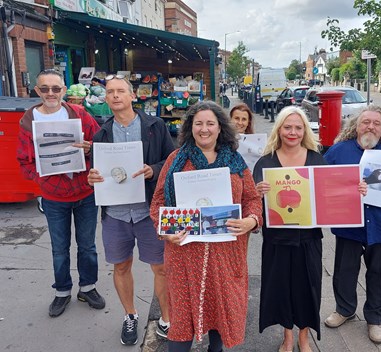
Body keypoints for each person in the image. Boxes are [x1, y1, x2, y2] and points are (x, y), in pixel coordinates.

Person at [150, 101, 262, 352]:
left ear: (220, 128)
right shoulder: (176, 159)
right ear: (190, 128)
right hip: (184, 256)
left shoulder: (235, 161)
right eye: (198, 123)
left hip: (225, 256)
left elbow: (252, 199)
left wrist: (251, 220)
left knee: (219, 321)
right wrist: (167, 230)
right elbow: (158, 202)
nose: (204, 129)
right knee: (181, 325)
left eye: (210, 123)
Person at [252, 106, 366, 352]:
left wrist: (354, 191)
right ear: (279, 129)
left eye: (298, 127)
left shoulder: (315, 159)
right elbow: (253, 205)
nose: (292, 132)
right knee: (281, 289)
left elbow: (332, 193)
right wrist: (257, 192)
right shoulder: (266, 161)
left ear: (304, 130)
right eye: (287, 127)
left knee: (307, 289)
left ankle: (304, 337)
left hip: (308, 239)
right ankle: (287, 337)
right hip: (277, 240)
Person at [87, 75, 174, 345]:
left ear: (132, 95)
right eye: (110, 92)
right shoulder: (100, 134)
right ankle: (130, 315)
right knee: (121, 266)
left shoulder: (155, 126)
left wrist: (153, 170)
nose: (115, 96)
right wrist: (92, 178)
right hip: (115, 214)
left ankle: (167, 319)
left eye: (120, 91)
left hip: (149, 211)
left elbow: (170, 162)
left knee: (161, 267)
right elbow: (98, 172)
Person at [323, 105, 381, 344]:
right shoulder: (338, 151)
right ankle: (344, 309)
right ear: (356, 126)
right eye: (366, 122)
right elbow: (323, 183)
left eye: (376, 123)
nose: (370, 127)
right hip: (348, 224)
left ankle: (376, 319)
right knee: (344, 271)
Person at [16, 69, 105, 317]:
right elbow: (24, 161)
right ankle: (62, 291)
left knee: (87, 245)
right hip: (54, 197)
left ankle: (88, 287)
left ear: (64, 90)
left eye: (56, 88)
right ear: (37, 91)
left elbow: (102, 143)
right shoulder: (28, 121)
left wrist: (90, 149)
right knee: (59, 248)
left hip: (85, 192)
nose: (51, 93)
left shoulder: (79, 114)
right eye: (45, 88)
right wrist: (42, 178)